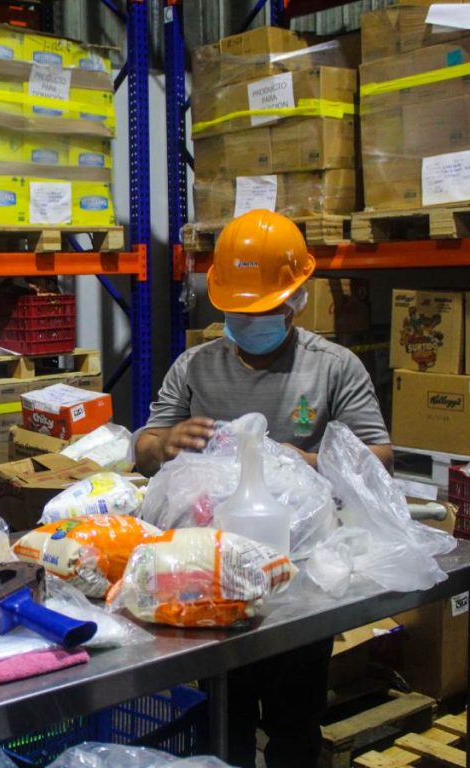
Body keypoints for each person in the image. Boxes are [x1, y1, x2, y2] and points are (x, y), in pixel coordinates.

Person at [135, 210, 393, 768]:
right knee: (219, 717)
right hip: (205, 575)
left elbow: (379, 458)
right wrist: (166, 441)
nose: (251, 321)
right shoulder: (195, 366)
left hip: (298, 571)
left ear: (296, 299)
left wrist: (290, 461)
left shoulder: (333, 369)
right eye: (238, 311)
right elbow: (144, 446)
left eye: (265, 309)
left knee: (294, 722)